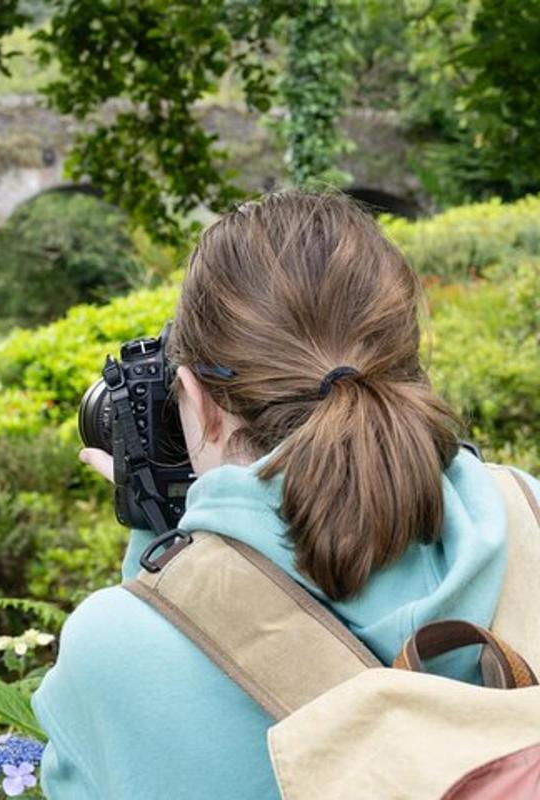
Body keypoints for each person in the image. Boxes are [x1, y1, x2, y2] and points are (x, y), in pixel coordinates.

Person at [30, 191, 540, 799]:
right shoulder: (526, 511)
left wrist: (162, 538)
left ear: (194, 402)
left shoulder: (114, 649)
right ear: (408, 366)